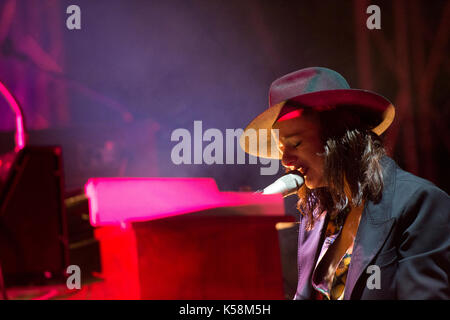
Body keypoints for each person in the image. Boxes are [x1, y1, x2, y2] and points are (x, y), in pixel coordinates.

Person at [239, 67, 450, 300]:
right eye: (281, 151)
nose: (285, 161)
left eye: (296, 144)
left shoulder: (419, 203)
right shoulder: (319, 214)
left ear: (337, 137)